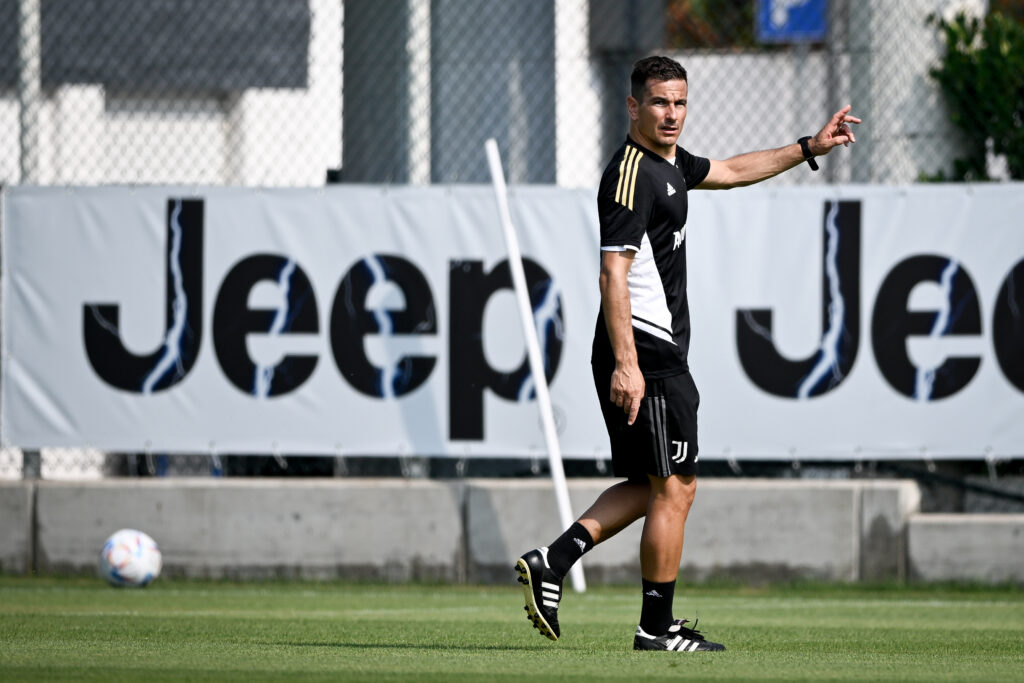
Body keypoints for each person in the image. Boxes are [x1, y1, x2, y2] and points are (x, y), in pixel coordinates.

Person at [515, 55, 860, 653]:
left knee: (655, 483)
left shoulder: (668, 164)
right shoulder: (630, 175)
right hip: (646, 352)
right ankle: (656, 629)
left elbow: (730, 169)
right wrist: (627, 363)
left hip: (653, 351)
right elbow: (611, 275)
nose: (671, 113)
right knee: (677, 486)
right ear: (633, 107)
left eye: (679, 102)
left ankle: (554, 559)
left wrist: (808, 147)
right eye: (658, 102)